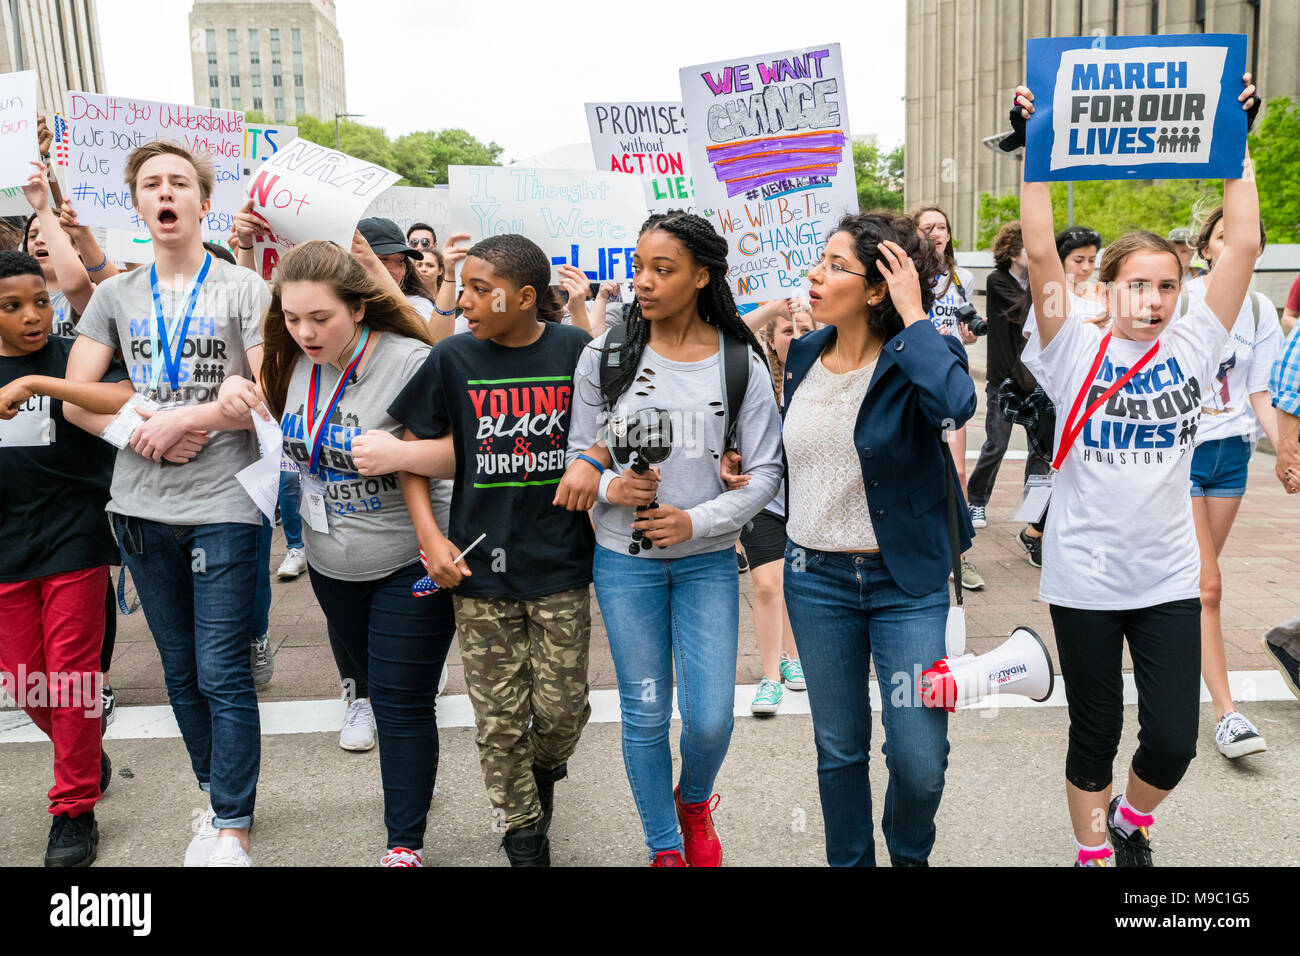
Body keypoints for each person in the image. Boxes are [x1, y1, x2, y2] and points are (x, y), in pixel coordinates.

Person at [1014, 74, 1260, 867]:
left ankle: (1131, 819)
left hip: (1166, 578)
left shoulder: (1194, 345)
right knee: (1096, 729)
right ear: (1106, 287)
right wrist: (1036, 149)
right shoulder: (1070, 346)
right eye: (1137, 286)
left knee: (1173, 740)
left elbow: (1247, 245)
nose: (1152, 301)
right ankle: (1096, 853)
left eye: (1167, 287)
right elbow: (1041, 248)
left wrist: (1236, 144)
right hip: (1083, 576)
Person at [66, 140, 272, 867]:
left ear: (201, 202)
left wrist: (193, 420)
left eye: (179, 182)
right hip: (140, 509)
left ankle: (233, 826)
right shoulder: (118, 295)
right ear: (138, 204)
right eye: (151, 183)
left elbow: (266, 395)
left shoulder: (245, 289)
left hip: (223, 502)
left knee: (221, 668)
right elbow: (78, 398)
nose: (166, 192)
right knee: (180, 671)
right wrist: (140, 429)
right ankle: (216, 793)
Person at [217, 240, 455, 867]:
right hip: (329, 561)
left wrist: (404, 454)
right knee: (372, 681)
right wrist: (239, 395)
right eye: (292, 319)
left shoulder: (410, 360)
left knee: (403, 702)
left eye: (319, 318)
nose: (305, 332)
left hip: (411, 559)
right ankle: (367, 700)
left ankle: (404, 844)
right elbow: (277, 423)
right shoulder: (292, 362)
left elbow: (469, 453)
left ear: (358, 307)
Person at [565, 213, 783, 866]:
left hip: (707, 562)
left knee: (712, 717)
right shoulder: (603, 355)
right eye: (638, 268)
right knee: (646, 713)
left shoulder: (739, 360)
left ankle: (695, 799)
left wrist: (699, 521)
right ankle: (665, 847)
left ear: (701, 276)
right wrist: (610, 489)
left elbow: (766, 474)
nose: (644, 282)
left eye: (662, 269)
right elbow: (581, 457)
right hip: (624, 564)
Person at [389, 234, 598, 867]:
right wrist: (431, 538)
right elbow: (410, 456)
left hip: (560, 565)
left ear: (527, 297)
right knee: (498, 718)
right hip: (477, 571)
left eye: (482, 289)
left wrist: (593, 459)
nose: (467, 300)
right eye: (465, 287)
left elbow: (611, 425)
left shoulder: (576, 351)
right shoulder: (452, 357)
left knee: (561, 712)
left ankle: (541, 772)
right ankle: (522, 832)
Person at [781, 212, 977, 866]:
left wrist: (915, 314)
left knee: (919, 761)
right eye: (820, 259)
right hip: (814, 579)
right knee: (839, 750)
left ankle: (909, 855)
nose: (816, 274)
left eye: (836, 265)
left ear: (877, 289)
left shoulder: (923, 354)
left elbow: (955, 404)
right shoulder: (804, 352)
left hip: (906, 583)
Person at [0, 250, 136, 866]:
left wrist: (39, 384)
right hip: (6, 553)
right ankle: (81, 754)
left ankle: (73, 810)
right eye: (12, 306)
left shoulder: (69, 360)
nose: (32, 316)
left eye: (38, 301)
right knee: (27, 682)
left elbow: (124, 397)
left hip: (74, 541)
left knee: (73, 679)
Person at [1180, 206, 1280, 759]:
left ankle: (1159, 647)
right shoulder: (1186, 299)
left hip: (1232, 455)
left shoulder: (1262, 308)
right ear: (1209, 246)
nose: (1240, 243)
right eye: (1226, 235)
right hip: (1182, 455)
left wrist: (1286, 450)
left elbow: (1259, 392)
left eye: (1249, 238)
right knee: (1208, 586)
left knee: (1191, 585)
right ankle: (1227, 712)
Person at [725, 305, 814, 715]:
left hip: (809, 501)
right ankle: (769, 678)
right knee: (766, 584)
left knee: (794, 585)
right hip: (762, 498)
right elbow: (736, 332)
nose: (795, 336)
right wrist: (776, 308)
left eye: (805, 330)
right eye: (786, 330)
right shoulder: (757, 371)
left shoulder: (825, 373)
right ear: (771, 338)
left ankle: (792, 655)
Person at [914, 205, 984, 591]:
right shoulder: (909, 276)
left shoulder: (963, 277)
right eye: (929, 227)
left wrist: (966, 336)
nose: (938, 232)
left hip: (949, 377)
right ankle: (926, 547)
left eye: (943, 225)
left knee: (956, 470)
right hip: (915, 375)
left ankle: (959, 554)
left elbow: (963, 328)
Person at [966, 221, 1050, 528]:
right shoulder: (997, 280)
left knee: (1041, 452)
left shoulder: (1040, 280)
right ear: (1013, 251)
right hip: (1004, 380)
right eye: (1030, 247)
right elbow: (1022, 312)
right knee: (996, 444)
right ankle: (976, 501)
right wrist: (1047, 287)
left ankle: (1035, 515)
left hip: (1039, 381)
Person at [357, 217, 434, 321]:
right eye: (383, 260)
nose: (396, 270)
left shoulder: (417, 305)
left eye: (401, 261)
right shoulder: (340, 304)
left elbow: (424, 331)